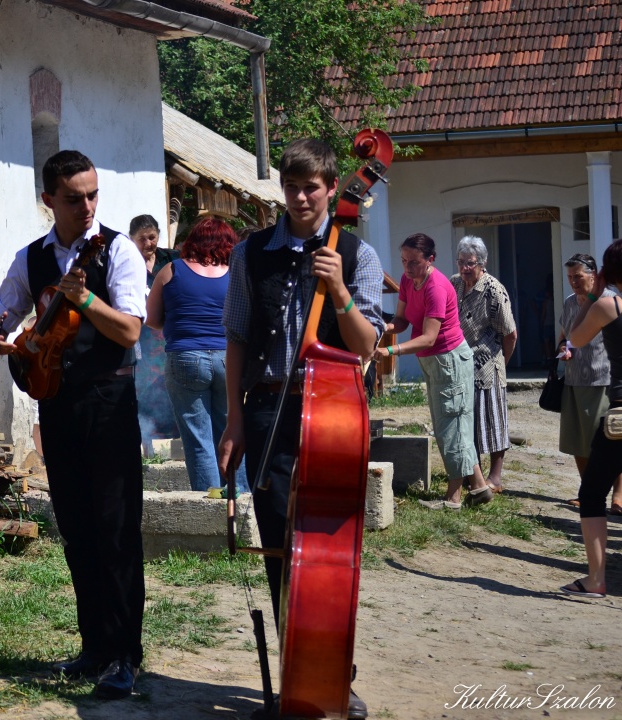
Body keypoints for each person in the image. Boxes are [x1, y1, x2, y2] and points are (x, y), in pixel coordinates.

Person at [217, 138, 385, 720]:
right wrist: (235, 418)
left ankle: (335, 674)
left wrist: (338, 291)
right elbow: (237, 338)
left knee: (327, 554)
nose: (300, 197)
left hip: (332, 418)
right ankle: (298, 675)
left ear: (333, 188)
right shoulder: (251, 252)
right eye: (291, 187)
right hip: (267, 410)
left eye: (311, 187)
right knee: (279, 550)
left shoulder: (358, 255)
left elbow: (366, 346)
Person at [0, 150, 146, 700]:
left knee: (116, 529)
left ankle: (124, 654)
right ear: (48, 199)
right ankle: (94, 644)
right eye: (74, 198)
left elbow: (130, 330)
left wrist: (85, 298)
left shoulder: (118, 250)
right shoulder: (31, 257)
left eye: (93, 195)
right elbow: (2, 310)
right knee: (76, 527)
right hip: (57, 401)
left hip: (109, 400)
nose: (87, 206)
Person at [375, 234, 494, 510]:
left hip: (449, 360)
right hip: (434, 361)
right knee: (456, 424)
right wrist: (384, 327)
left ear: (430, 259)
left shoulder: (436, 287)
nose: (407, 267)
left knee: (451, 427)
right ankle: (479, 487)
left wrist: (391, 351)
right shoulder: (408, 280)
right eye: (403, 261)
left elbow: (429, 338)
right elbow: (401, 320)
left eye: (414, 262)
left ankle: (453, 499)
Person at [146, 216, 246, 493]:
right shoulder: (236, 272)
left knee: (198, 438)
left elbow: (151, 319)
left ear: (192, 241)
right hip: (228, 359)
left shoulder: (170, 270)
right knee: (232, 431)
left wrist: (180, 323)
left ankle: (209, 504)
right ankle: (241, 500)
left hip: (185, 358)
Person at [557, 238, 622, 599]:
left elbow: (575, 338)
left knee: (592, 493)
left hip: (620, 411)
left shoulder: (609, 306)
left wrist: (595, 295)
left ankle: (596, 579)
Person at [450, 236, 517, 493]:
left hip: (488, 364)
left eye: (471, 263)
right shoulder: (455, 284)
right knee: (468, 422)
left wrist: (501, 364)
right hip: (461, 362)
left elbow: (510, 334)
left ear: (483, 262)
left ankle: (495, 478)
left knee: (492, 421)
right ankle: (472, 473)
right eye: (461, 262)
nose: (465, 268)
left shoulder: (494, 290)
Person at [128, 214, 177, 451]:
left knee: (170, 389)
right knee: (144, 391)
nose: (148, 243)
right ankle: (146, 446)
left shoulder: (172, 259)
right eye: (142, 239)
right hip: (142, 340)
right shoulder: (128, 265)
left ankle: (172, 446)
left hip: (168, 337)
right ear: (132, 240)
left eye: (152, 237)